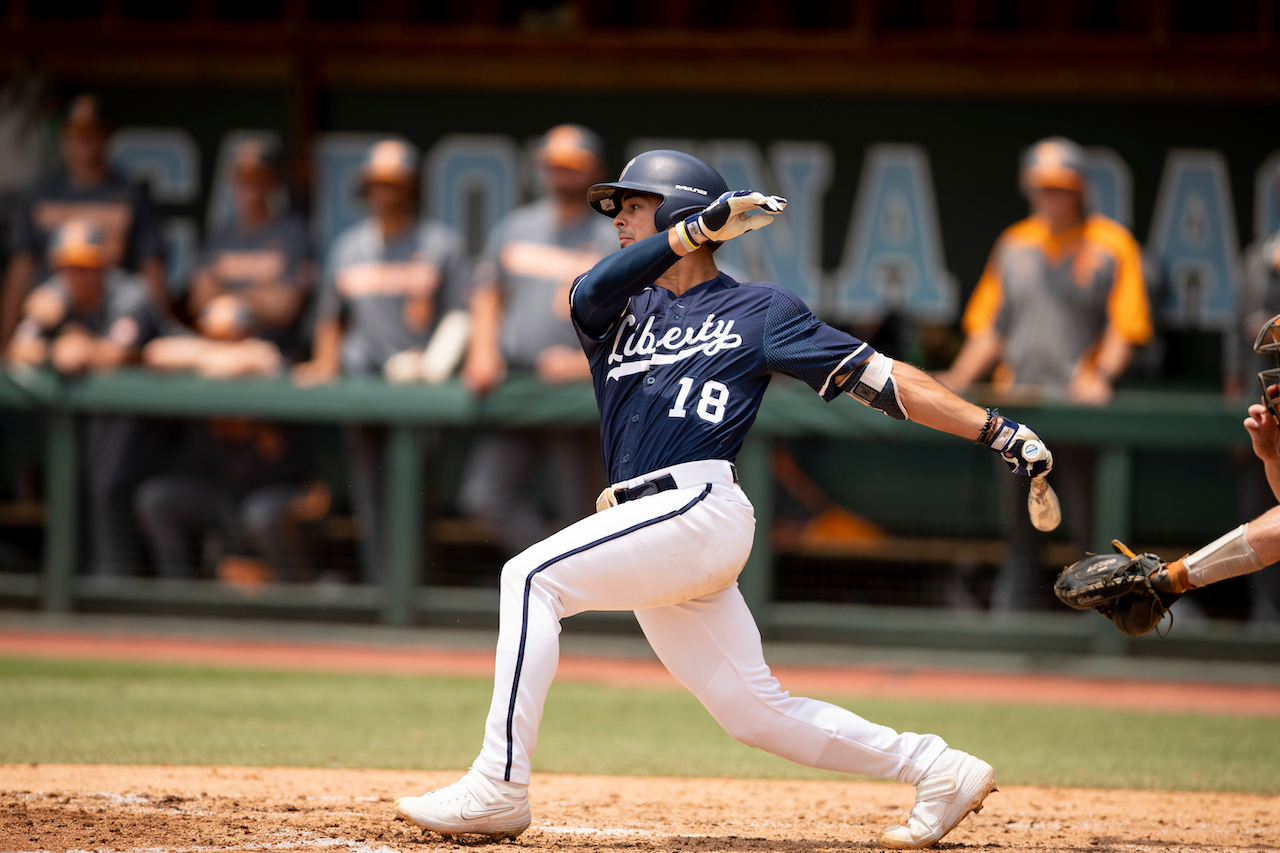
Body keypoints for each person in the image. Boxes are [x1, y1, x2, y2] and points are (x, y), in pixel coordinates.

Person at [392, 150, 1055, 849]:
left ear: (680, 208)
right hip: (642, 519)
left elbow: (883, 379)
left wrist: (997, 429)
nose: (618, 217)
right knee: (753, 712)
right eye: (616, 207)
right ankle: (938, 767)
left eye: (636, 204)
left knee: (528, 577)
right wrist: (687, 232)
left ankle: (499, 783)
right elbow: (590, 290)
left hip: (698, 505)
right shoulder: (616, 305)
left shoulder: (760, 308)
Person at [937, 136, 1152, 612]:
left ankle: (1105, 632)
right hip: (1021, 411)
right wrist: (955, 377)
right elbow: (993, 327)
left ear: (1080, 189)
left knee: (1093, 532)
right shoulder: (1015, 243)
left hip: (1078, 411)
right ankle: (1012, 632)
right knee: (1017, 530)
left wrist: (1102, 376)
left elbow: (1127, 325)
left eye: (1060, 187)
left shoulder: (1111, 243)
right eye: (1042, 187)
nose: (1050, 197)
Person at [292, 139, 469, 584]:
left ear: (411, 188)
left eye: (393, 183)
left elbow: (461, 314)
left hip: (419, 394)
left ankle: (415, 595)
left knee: (415, 501)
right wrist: (324, 362)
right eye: (376, 183)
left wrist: (433, 365)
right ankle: (380, 590)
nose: (384, 192)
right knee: (369, 499)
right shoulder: (348, 248)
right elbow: (331, 318)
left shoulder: (440, 243)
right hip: (365, 388)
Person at [458, 124, 616, 555]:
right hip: (516, 385)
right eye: (555, 165)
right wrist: (482, 349)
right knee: (484, 497)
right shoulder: (517, 227)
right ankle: (549, 572)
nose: (561, 174)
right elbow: (488, 292)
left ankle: (585, 599)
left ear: (594, 172)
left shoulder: (610, 237)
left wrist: (588, 360)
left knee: (582, 512)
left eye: (572, 166)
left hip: (578, 394)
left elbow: (635, 316)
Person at [6, 220, 168, 576]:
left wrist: (75, 342)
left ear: (104, 265)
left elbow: (116, 355)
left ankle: (114, 586)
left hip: (155, 423)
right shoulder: (54, 294)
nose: (74, 275)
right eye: (67, 265)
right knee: (75, 487)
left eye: (84, 266)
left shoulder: (130, 293)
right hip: (95, 422)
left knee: (107, 488)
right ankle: (79, 579)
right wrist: (52, 338)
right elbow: (18, 351)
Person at [2, 94, 165, 345]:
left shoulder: (130, 195)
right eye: (73, 130)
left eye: (91, 130)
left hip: (111, 322)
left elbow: (151, 268)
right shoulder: (42, 194)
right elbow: (22, 267)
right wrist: (6, 339)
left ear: (107, 135)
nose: (81, 138)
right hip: (50, 318)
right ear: (62, 135)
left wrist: (153, 331)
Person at [187, 138, 312, 363]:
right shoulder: (220, 235)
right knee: (163, 354)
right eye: (243, 177)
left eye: (258, 176)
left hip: (272, 350)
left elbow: (283, 307)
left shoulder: (293, 233)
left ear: (274, 180)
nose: (250, 184)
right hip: (218, 345)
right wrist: (259, 293)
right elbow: (199, 301)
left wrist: (225, 293)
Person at [1226, 174, 1280, 620]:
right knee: (1259, 515)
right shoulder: (1257, 259)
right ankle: (1264, 623)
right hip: (1272, 413)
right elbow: (1237, 340)